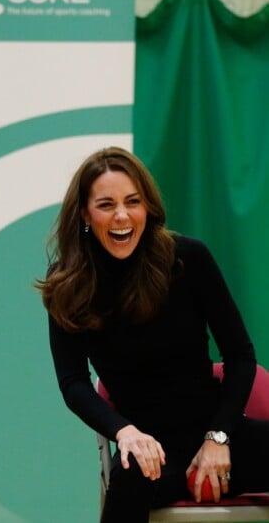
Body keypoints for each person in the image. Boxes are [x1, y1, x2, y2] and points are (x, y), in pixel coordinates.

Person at [37, 147, 269, 522]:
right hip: (149, 449)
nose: (122, 216)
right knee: (130, 483)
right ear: (84, 213)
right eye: (106, 204)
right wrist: (123, 432)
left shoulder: (188, 258)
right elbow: (74, 382)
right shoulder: (68, 284)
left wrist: (219, 437)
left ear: (148, 207)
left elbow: (241, 356)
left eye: (133, 202)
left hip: (220, 435)